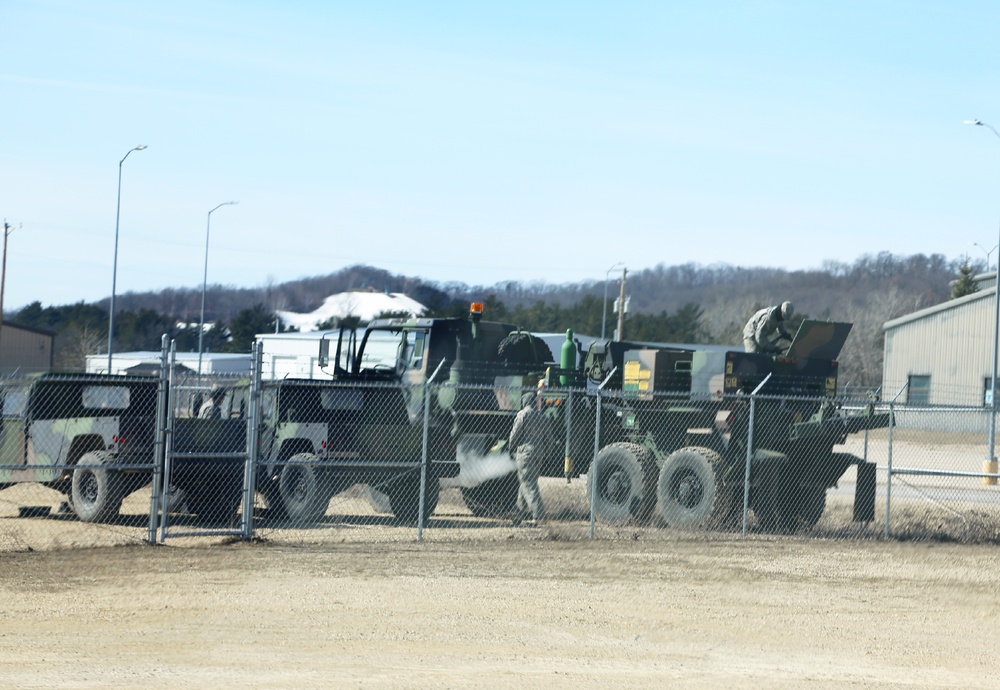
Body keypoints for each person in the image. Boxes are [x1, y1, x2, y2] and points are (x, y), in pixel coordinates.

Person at [507, 391, 555, 527]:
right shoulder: (542, 417)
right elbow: (549, 439)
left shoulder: (523, 414)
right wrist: (547, 453)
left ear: (524, 402)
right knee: (527, 482)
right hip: (539, 453)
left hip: (525, 453)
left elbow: (515, 433)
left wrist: (511, 446)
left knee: (528, 484)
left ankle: (539, 516)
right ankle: (517, 514)